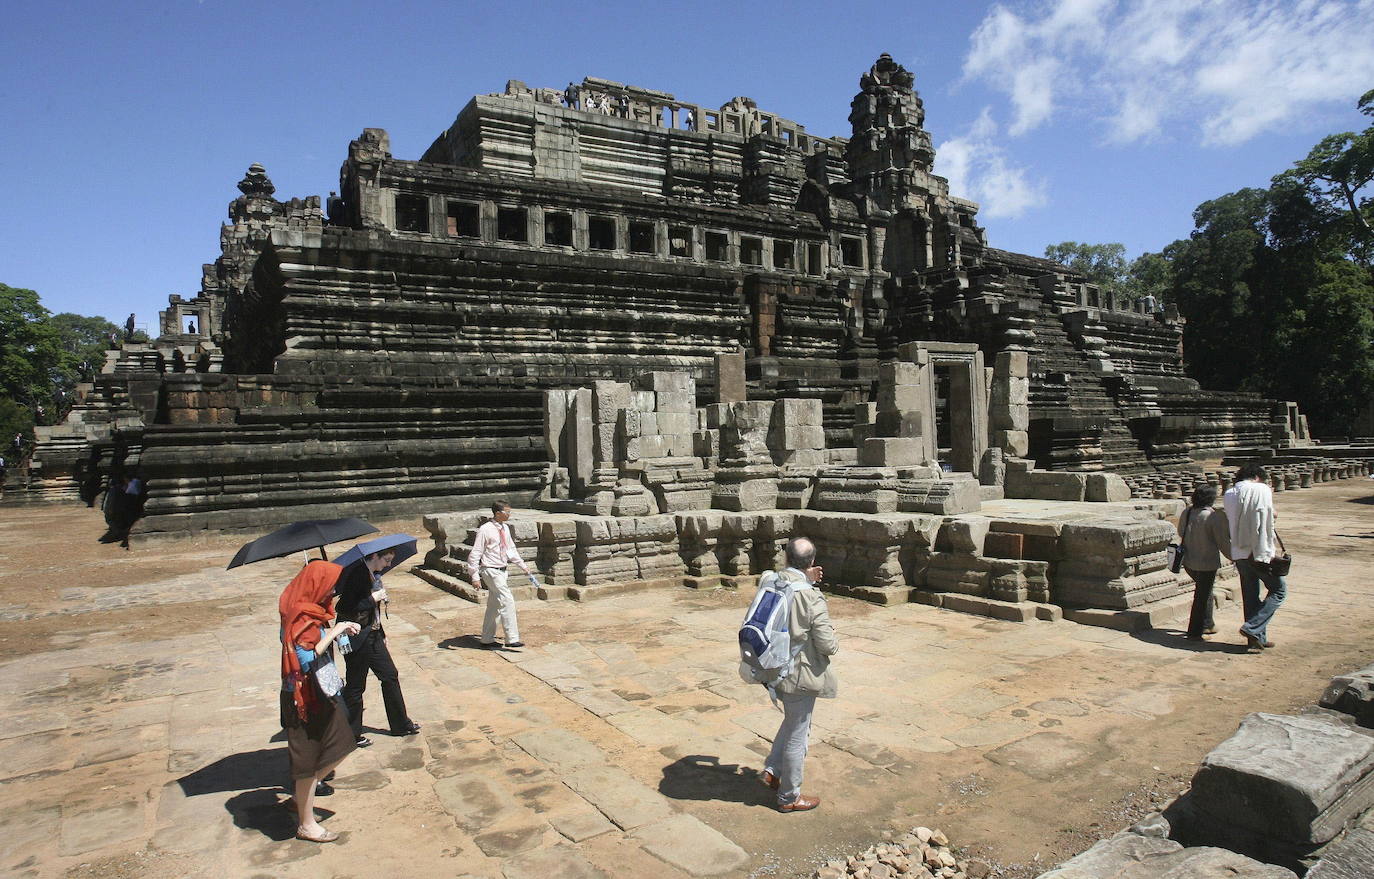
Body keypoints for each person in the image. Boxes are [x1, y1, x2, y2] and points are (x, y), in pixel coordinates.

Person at [279, 561, 359, 843]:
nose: (334, 592)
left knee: (342, 744)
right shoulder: (299, 617)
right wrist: (335, 633)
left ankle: (302, 796)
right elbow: (307, 659)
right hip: (306, 696)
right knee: (308, 762)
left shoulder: (314, 614)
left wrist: (337, 629)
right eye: (330, 586)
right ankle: (306, 823)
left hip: (324, 691)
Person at [758, 537, 837, 812]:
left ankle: (772, 770)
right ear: (812, 562)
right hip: (798, 674)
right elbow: (828, 645)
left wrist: (804, 577)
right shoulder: (811, 596)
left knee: (792, 722)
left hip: (773, 667)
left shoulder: (771, 580)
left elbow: (788, 581)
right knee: (798, 734)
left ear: (786, 558)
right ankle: (789, 797)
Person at [336, 550, 420, 747]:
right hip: (356, 636)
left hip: (372, 635)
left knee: (390, 675)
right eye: (386, 560)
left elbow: (372, 611)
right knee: (356, 684)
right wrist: (373, 598)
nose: (388, 564)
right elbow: (344, 607)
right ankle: (351, 734)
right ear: (374, 557)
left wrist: (382, 633)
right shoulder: (357, 575)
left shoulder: (374, 576)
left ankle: (400, 724)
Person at [1224, 462, 1286, 650]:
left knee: (1250, 595)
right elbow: (1269, 515)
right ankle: (1252, 627)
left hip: (1239, 551)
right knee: (1279, 590)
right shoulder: (1261, 489)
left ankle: (1257, 638)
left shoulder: (1229, 494)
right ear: (1258, 477)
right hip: (1258, 550)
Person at [467, 500, 531, 649]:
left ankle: (487, 639)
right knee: (507, 600)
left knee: (494, 606)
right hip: (490, 570)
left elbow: (510, 550)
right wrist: (474, 576)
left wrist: (523, 566)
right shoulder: (485, 529)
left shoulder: (505, 528)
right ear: (497, 513)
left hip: (502, 570)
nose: (509, 515)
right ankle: (512, 638)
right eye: (506, 512)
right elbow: (475, 553)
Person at [1177, 485, 1231, 641]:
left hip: (1189, 561)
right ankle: (1195, 631)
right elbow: (1222, 541)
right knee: (1201, 595)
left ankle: (1208, 623)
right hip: (1207, 562)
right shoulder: (1212, 516)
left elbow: (1181, 532)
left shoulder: (1187, 512)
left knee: (1204, 592)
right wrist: (1234, 556)